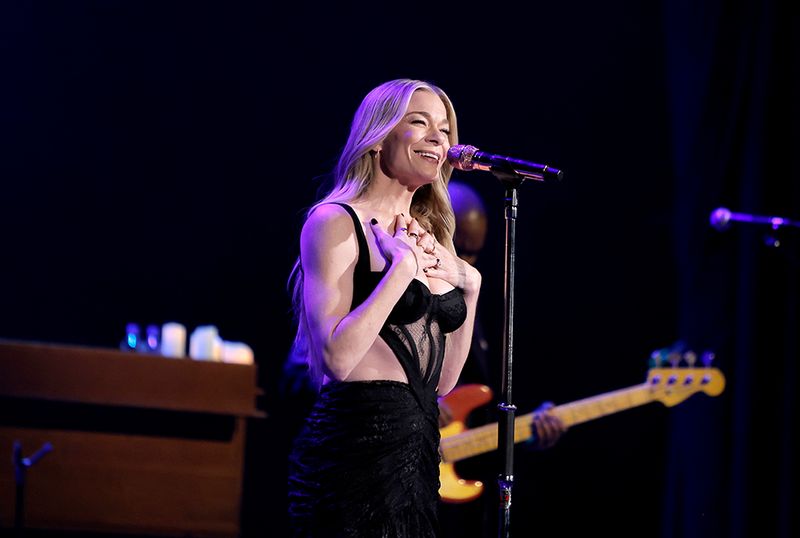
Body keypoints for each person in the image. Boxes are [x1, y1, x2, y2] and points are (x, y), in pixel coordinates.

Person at [286, 79, 482, 537]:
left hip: (416, 455)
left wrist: (470, 288)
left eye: (445, 128)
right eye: (420, 123)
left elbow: (444, 381)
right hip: (354, 451)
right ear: (378, 138)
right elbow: (337, 359)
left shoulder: (432, 237)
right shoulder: (335, 220)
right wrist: (399, 273)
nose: (440, 138)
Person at [438, 181, 566, 538]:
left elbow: (483, 408)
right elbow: (303, 374)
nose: (465, 263)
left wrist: (527, 435)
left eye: (474, 253)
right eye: (457, 248)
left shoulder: (474, 297)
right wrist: (417, 404)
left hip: (454, 504)